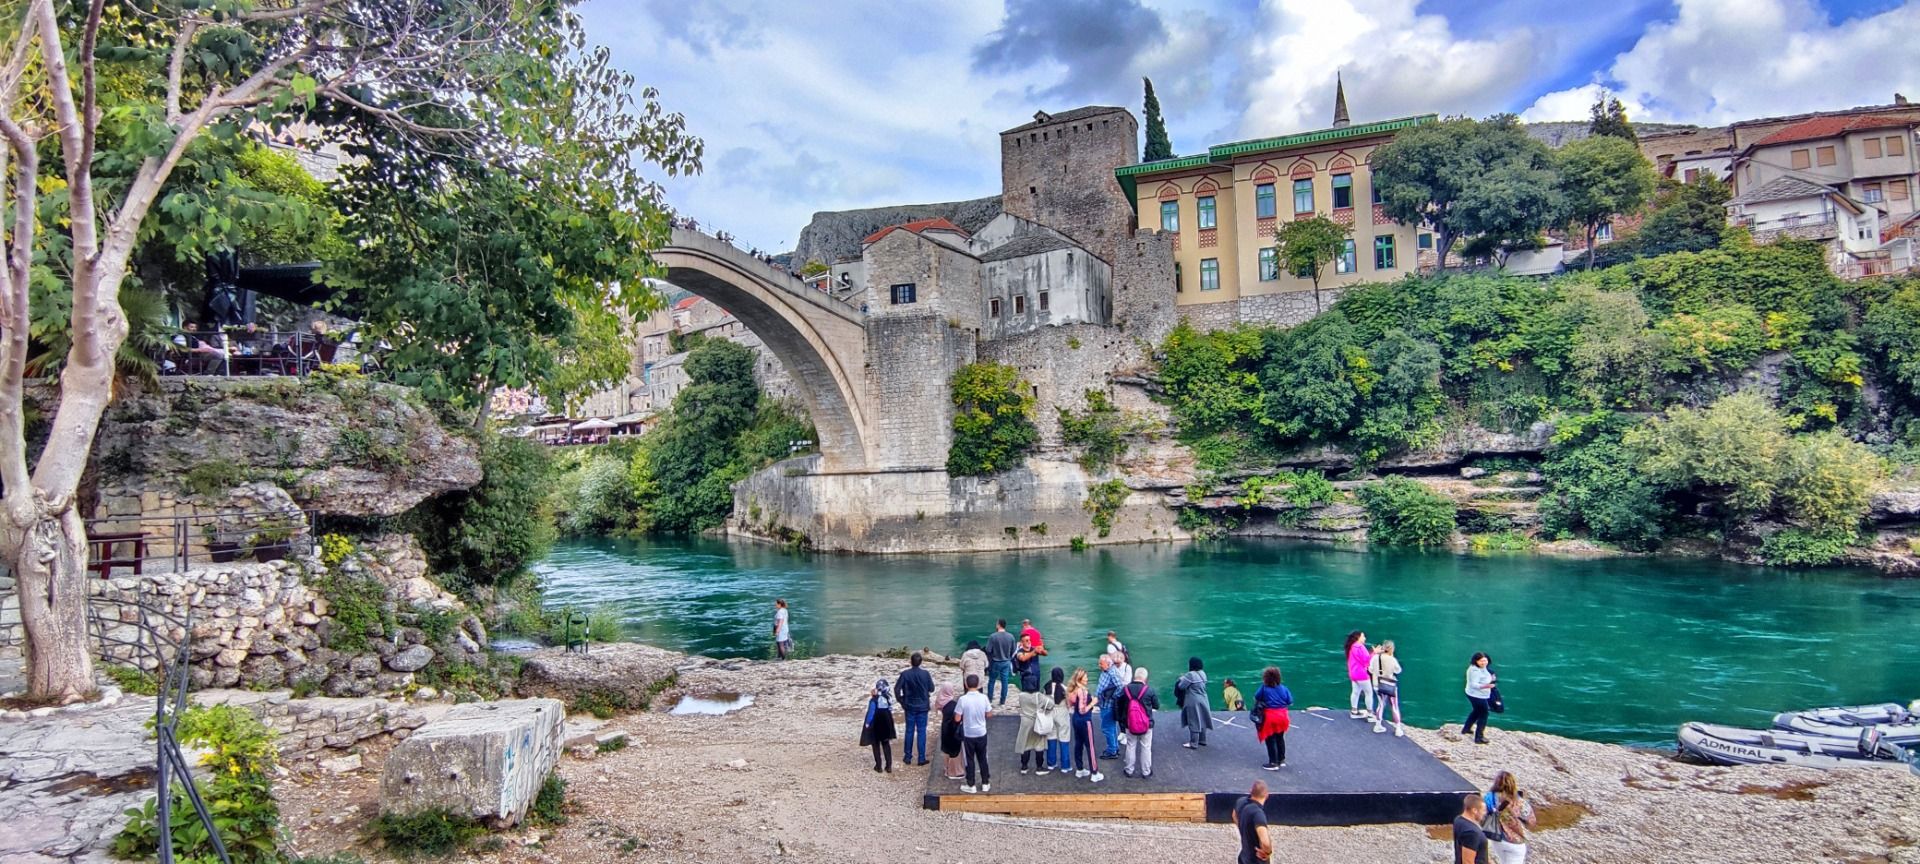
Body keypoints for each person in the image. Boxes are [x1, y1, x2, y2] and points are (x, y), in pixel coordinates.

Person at [1484, 770, 1537, 864]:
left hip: (1497, 839)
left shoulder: (1489, 797)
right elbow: (1532, 822)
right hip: (1515, 842)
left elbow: (1483, 816)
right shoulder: (1519, 801)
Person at [1015, 637, 1050, 774]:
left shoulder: (1034, 649)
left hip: (1035, 681)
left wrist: (1040, 649)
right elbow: (1023, 659)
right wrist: (1034, 651)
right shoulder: (1020, 652)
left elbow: (1045, 653)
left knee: (1026, 739)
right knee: (1037, 740)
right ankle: (1032, 766)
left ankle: (1025, 766)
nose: (1029, 642)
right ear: (1022, 642)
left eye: (1030, 640)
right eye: (1026, 641)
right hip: (1027, 682)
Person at [1117, 666, 1158, 779]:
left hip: (1130, 723)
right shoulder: (1149, 690)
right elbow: (1156, 705)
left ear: (1135, 676)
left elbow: (1119, 704)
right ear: (1145, 678)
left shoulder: (1125, 689)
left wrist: (1121, 719)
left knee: (1130, 746)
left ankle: (1129, 770)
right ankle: (1146, 771)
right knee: (1146, 747)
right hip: (1146, 724)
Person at [895, 652, 935, 766]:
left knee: (909, 731)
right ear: (921, 662)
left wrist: (901, 701)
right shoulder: (925, 674)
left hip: (909, 706)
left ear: (910, 662)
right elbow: (932, 688)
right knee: (921, 732)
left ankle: (907, 757)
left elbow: (897, 689)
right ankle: (921, 758)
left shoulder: (905, 674)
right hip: (922, 706)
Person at [1065, 668, 1104, 782]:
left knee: (1078, 744)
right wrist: (1092, 703)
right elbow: (1083, 710)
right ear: (1080, 678)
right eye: (1085, 677)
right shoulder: (1082, 691)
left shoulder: (1072, 690)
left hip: (1076, 719)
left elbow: (1071, 704)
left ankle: (1080, 769)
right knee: (1090, 746)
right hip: (1085, 720)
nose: (1087, 679)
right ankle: (1094, 772)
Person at [957, 673, 992, 793]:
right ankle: (985, 783)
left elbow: (957, 718)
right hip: (981, 732)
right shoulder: (984, 698)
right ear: (978, 684)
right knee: (983, 758)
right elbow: (989, 714)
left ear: (966, 684)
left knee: (969, 759)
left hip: (968, 734)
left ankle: (971, 785)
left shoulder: (962, 699)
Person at [1253, 666, 1294, 770]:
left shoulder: (1264, 688)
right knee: (1280, 738)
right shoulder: (1284, 688)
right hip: (1283, 717)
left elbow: (1257, 697)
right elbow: (1290, 701)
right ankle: (1281, 760)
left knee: (1270, 739)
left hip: (1270, 717)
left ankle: (1273, 762)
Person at [1176, 656, 1213, 748]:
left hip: (1193, 700)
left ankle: (1193, 743)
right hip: (1204, 698)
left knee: (1194, 720)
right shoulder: (1203, 673)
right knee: (1202, 718)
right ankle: (1202, 740)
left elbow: (1181, 686)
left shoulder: (1190, 675)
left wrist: (1181, 678)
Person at [860, 678, 897, 773]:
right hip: (886, 722)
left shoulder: (874, 700)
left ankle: (878, 766)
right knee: (886, 744)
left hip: (876, 724)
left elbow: (871, 713)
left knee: (875, 744)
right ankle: (889, 766)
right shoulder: (888, 698)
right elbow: (890, 709)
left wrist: (867, 723)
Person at [1232, 780, 1273, 864]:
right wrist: (1268, 852)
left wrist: (1243, 828)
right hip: (1256, 860)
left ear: (1251, 791)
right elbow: (1265, 842)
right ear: (1267, 795)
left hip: (1244, 857)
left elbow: (1234, 815)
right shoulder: (1258, 814)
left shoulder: (1241, 801)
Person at [1371, 640, 1404, 736]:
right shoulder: (1392, 659)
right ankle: (1398, 729)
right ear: (1391, 649)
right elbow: (1398, 670)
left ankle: (1377, 725)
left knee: (1381, 704)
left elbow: (1370, 669)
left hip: (1377, 685)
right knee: (1394, 706)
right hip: (1389, 685)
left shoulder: (1375, 658)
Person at [1095, 653, 1125, 759]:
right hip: (1104, 703)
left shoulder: (1112, 673)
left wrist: (1113, 697)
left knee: (1107, 728)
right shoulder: (1106, 671)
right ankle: (1114, 748)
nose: (1099, 665)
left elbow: (1121, 687)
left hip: (1108, 705)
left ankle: (1112, 750)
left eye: (1101, 664)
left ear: (1108, 664)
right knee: (1111, 727)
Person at [1464, 652, 1496, 744]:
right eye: (1481, 661)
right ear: (1476, 661)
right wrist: (1487, 686)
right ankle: (1479, 737)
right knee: (1484, 714)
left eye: (1485, 660)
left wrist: (1492, 677)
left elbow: (1485, 674)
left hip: (1475, 694)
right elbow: (1474, 684)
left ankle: (1466, 729)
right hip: (1477, 695)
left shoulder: (1481, 667)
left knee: (1476, 711)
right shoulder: (1475, 671)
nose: (1484, 663)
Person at [1044, 667, 1072, 772]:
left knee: (1051, 737)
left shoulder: (1046, 686)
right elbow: (1069, 704)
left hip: (1050, 712)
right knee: (1064, 738)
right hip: (1061, 713)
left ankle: (1051, 763)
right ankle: (1065, 765)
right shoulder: (1064, 688)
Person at [936, 682, 964, 780]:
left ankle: (946, 769)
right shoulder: (953, 705)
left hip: (945, 729)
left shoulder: (940, 701)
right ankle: (954, 772)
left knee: (946, 750)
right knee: (954, 751)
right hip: (953, 730)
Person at [985, 620, 1017, 706]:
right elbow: (1014, 650)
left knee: (991, 681)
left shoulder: (993, 636)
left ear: (998, 625)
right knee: (1005, 682)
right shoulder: (1011, 637)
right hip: (1006, 662)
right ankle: (1002, 701)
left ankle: (990, 699)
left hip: (995, 661)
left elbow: (988, 649)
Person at [1345, 630, 1375, 721]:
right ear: (1358, 637)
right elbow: (1366, 660)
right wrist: (1374, 652)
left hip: (1353, 674)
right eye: (1363, 636)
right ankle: (1370, 714)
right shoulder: (1360, 647)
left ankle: (1354, 711)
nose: (1365, 638)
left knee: (1355, 692)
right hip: (1362, 674)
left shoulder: (1352, 647)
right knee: (1368, 693)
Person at [1454, 793, 1490, 864]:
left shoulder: (1459, 819)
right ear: (1474, 810)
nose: (1485, 813)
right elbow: (1467, 861)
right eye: (1483, 810)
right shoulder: (1471, 832)